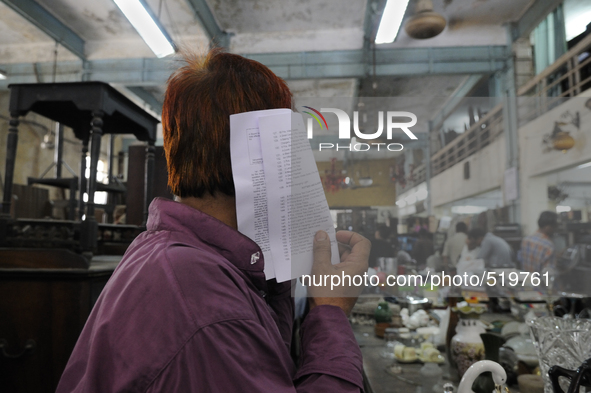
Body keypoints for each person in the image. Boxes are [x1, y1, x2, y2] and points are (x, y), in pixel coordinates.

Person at [56, 49, 370, 392]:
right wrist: (330, 312)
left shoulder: (179, 255)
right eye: (289, 142)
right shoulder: (200, 296)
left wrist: (280, 270)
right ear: (261, 153)